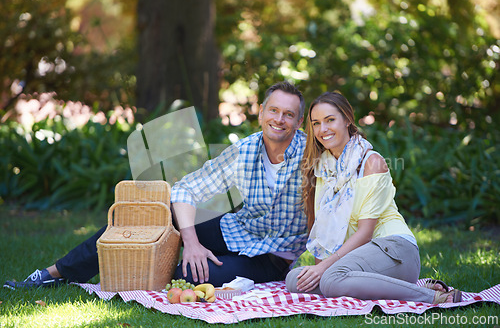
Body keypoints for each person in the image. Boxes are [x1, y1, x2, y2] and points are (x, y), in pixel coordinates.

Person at [4, 81, 309, 289]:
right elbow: (187, 189)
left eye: (289, 114)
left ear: (298, 121)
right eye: (274, 111)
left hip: (272, 258)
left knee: (184, 274)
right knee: (147, 215)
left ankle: (175, 263)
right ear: (262, 114)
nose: (279, 119)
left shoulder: (312, 156)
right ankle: (54, 274)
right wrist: (190, 241)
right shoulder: (246, 149)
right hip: (240, 231)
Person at [285, 91, 462, 304]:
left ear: (347, 120)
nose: (323, 129)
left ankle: (432, 296)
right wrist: (317, 270)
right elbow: (324, 229)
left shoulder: (371, 162)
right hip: (358, 260)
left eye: (330, 120)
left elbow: (365, 233)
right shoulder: (323, 167)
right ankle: (398, 287)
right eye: (316, 123)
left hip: (395, 250)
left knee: (331, 279)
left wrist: (323, 269)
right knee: (295, 279)